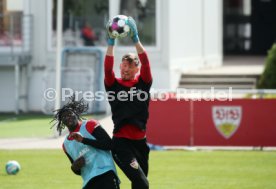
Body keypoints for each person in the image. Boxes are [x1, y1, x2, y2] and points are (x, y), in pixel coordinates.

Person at [105, 17, 152, 189]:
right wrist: (111, 42)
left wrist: (136, 40)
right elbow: (107, 68)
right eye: (123, 65)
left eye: (129, 65)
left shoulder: (143, 83)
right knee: (142, 183)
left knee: (138, 185)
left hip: (141, 143)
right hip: (121, 143)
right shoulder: (113, 85)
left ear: (136, 69)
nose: (125, 68)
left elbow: (146, 62)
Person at [51, 96, 120, 189]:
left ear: (76, 113)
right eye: (64, 117)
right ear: (62, 122)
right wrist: (74, 167)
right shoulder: (65, 145)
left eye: (69, 114)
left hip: (106, 173)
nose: (67, 117)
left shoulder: (90, 124)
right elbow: (77, 171)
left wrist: (84, 140)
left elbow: (109, 145)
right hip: (89, 181)